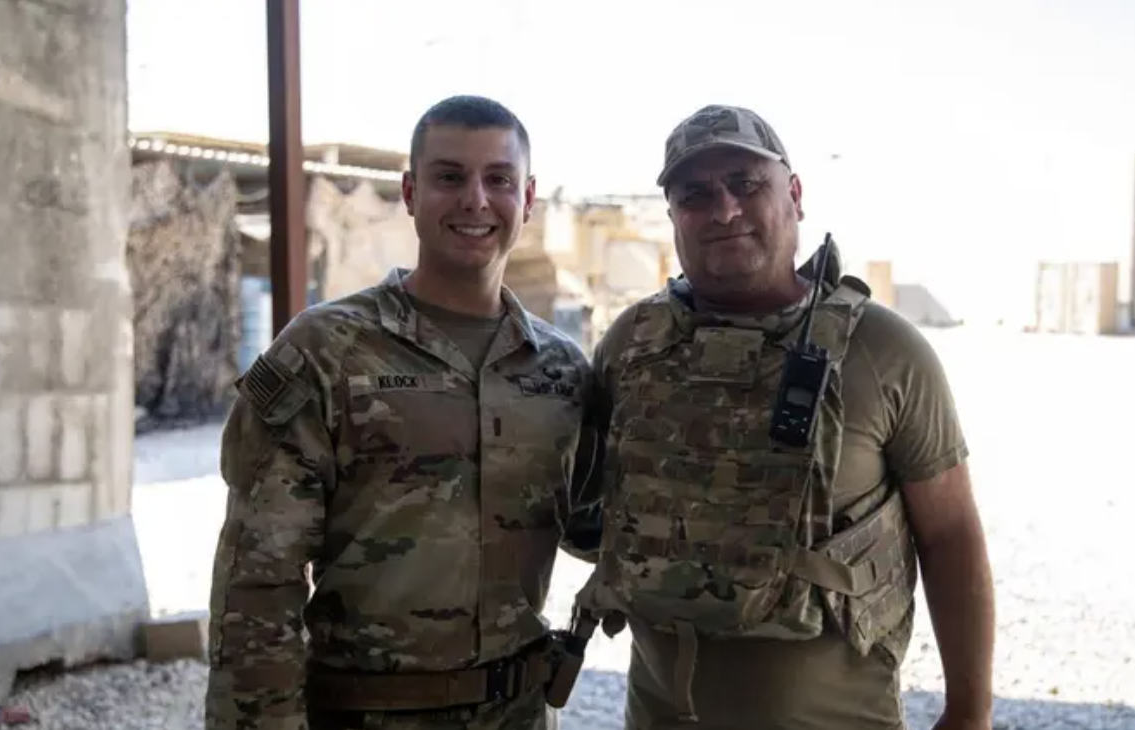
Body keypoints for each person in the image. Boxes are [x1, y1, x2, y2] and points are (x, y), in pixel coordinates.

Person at [565, 104, 996, 730]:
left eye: (745, 184)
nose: (723, 210)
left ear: (794, 195)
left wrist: (970, 712)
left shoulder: (883, 351)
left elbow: (951, 534)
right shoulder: (632, 343)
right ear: (674, 216)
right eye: (695, 195)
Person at [205, 94, 601, 730]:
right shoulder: (325, 350)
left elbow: (601, 527)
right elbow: (259, 579)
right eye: (450, 177)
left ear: (527, 199)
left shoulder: (561, 370)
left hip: (519, 715)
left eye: (499, 179)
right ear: (411, 193)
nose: (475, 200)